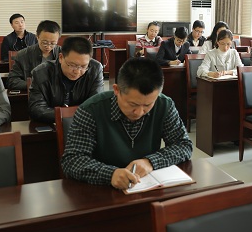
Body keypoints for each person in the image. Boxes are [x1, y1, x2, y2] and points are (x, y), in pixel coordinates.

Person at [61, 57, 193, 188]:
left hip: (146, 186)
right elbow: (72, 160)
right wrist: (110, 174)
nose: (139, 112)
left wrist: (150, 162)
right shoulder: (91, 110)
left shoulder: (164, 105)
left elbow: (183, 145)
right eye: (133, 104)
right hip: (101, 190)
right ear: (116, 90)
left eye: (147, 105)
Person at [29, 36, 104, 123]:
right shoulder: (41, 72)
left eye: (83, 66)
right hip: (52, 125)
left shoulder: (95, 69)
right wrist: (67, 115)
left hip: (84, 125)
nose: (77, 71)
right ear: (61, 57)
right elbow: (37, 109)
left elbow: (97, 105)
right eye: (72, 65)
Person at [7, 20, 61, 91]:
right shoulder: (23, 55)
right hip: (34, 94)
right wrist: (33, 85)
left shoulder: (64, 54)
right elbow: (12, 81)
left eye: (53, 43)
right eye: (44, 42)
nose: (48, 46)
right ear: (37, 36)